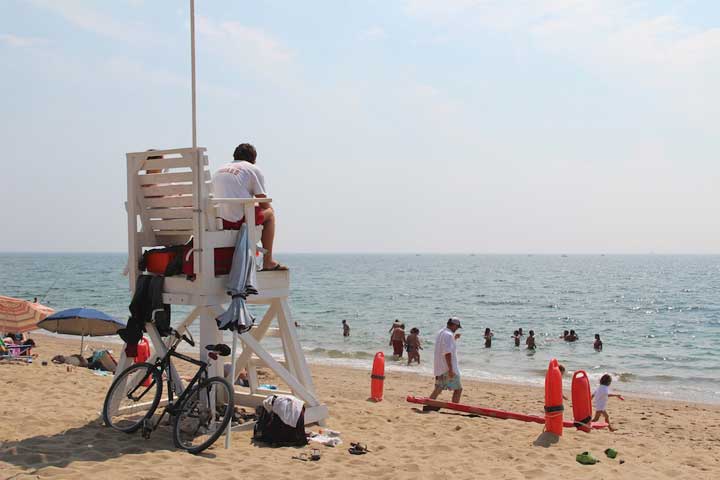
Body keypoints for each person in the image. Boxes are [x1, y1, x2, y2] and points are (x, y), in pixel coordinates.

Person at [212, 143, 287, 271]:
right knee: (270, 214)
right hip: (237, 221)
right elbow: (264, 204)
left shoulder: (219, 170)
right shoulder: (252, 169)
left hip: (217, 220)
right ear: (253, 159)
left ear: (234, 156)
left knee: (254, 209)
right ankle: (268, 261)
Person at [426, 317, 463, 406]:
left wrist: (454, 339)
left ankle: (429, 404)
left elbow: (444, 346)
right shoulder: (448, 335)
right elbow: (447, 352)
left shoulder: (441, 332)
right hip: (447, 367)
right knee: (458, 389)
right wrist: (450, 369)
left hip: (439, 367)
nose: (457, 328)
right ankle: (455, 407)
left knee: (439, 387)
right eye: (457, 326)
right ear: (453, 325)